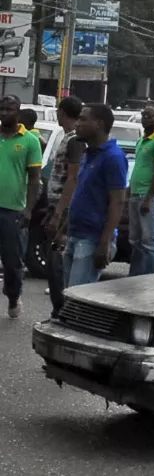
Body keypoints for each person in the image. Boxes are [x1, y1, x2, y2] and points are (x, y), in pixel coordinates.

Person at [62, 104, 128, 288]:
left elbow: (118, 201)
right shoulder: (89, 153)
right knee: (68, 297)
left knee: (77, 299)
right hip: (75, 234)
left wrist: (105, 242)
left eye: (83, 119)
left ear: (98, 124)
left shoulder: (113, 157)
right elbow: (83, 193)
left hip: (92, 239)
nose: (77, 124)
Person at [0, 95, 42, 318]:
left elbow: (34, 178)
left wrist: (28, 209)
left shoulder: (29, 141)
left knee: (12, 260)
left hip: (13, 210)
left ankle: (14, 298)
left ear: (18, 112)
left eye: (9, 109)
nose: (4, 113)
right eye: (2, 109)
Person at [43, 96, 85, 317]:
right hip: (56, 205)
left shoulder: (75, 141)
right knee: (53, 262)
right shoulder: (67, 137)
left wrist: (59, 213)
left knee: (57, 262)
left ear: (62, 113)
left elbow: (73, 178)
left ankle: (62, 311)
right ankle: (59, 309)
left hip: (64, 208)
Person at [128, 104, 154, 277]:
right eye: (144, 114)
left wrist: (149, 198)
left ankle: (151, 279)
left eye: (150, 116)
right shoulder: (141, 140)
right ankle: (136, 277)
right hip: (135, 195)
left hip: (150, 196)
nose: (146, 118)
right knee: (136, 241)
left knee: (150, 242)